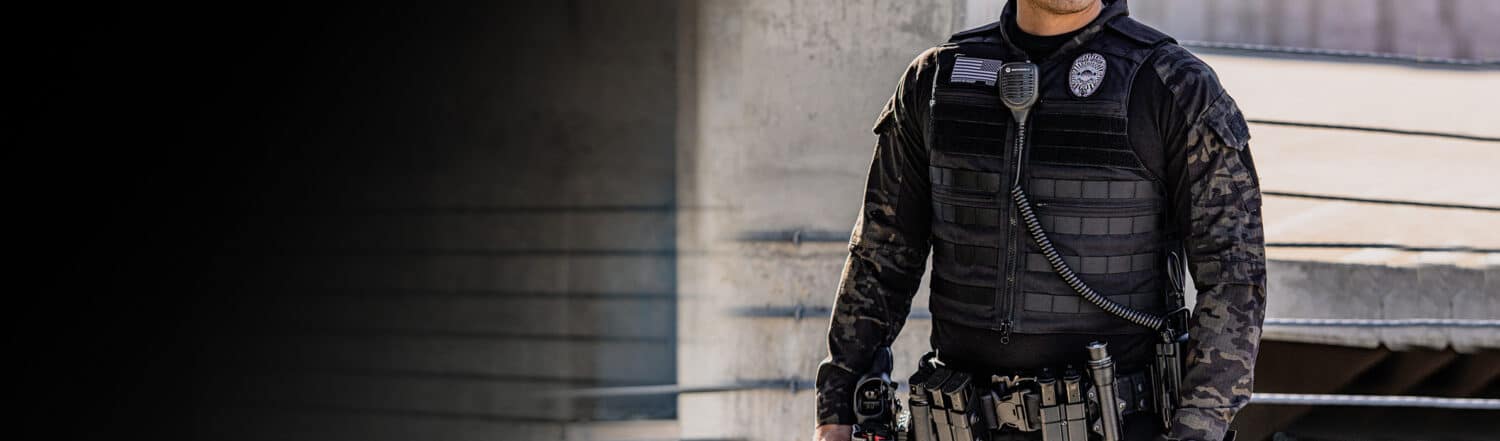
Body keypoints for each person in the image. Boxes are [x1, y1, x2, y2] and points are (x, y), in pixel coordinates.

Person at [814, 1, 1266, 440]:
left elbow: (1234, 279)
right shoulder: (934, 81)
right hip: (953, 419)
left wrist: (1198, 428)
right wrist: (838, 406)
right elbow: (880, 254)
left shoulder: (1175, 87)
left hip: (1116, 422)